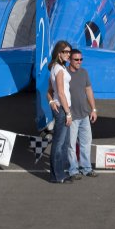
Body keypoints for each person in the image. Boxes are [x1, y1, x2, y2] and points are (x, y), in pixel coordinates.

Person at [66, 49, 98, 179]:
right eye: (76, 60)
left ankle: (86, 168)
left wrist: (93, 109)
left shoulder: (84, 73)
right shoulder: (64, 74)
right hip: (72, 116)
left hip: (84, 115)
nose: (79, 62)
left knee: (86, 143)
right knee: (71, 145)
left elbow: (88, 90)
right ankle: (73, 170)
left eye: (81, 59)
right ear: (69, 60)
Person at [47, 40, 73, 184]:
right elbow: (61, 93)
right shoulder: (59, 70)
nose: (68, 54)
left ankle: (62, 172)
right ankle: (57, 176)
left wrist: (51, 101)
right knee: (59, 143)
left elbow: (49, 92)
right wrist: (68, 113)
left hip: (62, 108)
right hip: (63, 110)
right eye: (65, 52)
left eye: (69, 52)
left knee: (64, 143)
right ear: (59, 53)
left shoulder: (56, 68)